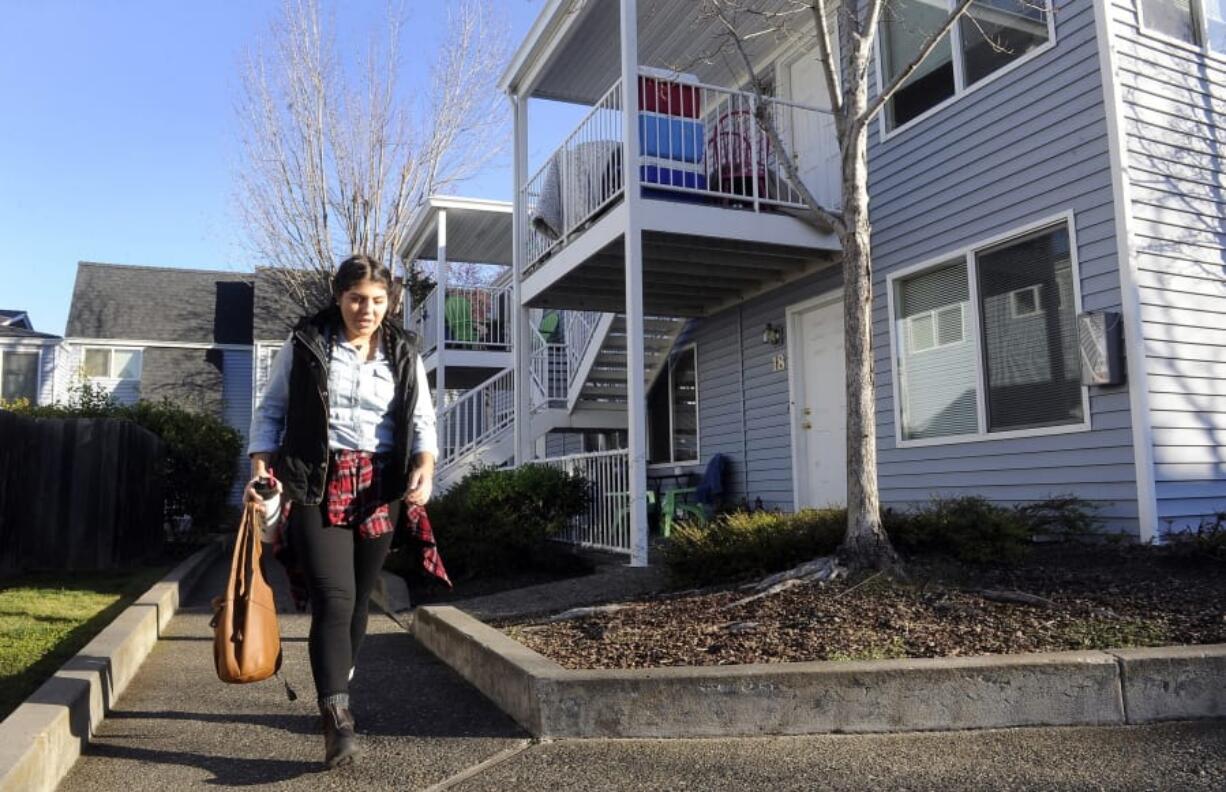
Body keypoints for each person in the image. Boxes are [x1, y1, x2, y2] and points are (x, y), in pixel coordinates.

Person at [246, 254, 437, 770]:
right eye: (356, 299)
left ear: (390, 301)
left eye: (377, 300)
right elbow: (272, 408)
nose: (366, 309)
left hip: (381, 485)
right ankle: (337, 717)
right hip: (315, 479)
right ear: (338, 296)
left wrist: (425, 465)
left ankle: (336, 687)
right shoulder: (307, 343)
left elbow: (420, 417)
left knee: (358, 602)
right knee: (334, 595)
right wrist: (261, 463)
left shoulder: (403, 350)